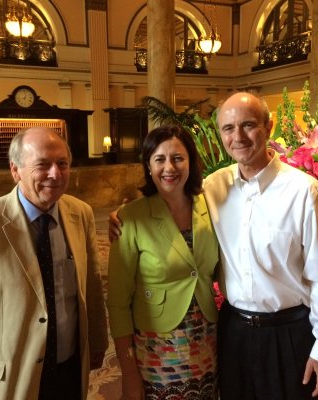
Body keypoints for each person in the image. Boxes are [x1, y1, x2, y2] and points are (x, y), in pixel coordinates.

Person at [109, 93, 318, 400]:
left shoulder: (304, 192)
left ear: (268, 126)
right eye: (228, 128)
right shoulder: (214, 186)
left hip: (288, 332)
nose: (238, 137)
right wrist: (122, 215)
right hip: (231, 332)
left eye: (248, 125)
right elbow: (168, 197)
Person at [0, 127, 108, 400]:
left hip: (70, 367)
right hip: (12, 379)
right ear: (15, 170)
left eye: (62, 164)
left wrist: (97, 342)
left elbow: (91, 284)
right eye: (43, 165)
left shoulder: (81, 213)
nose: (55, 174)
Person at [106, 125, 219, 399]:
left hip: (206, 339)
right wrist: (128, 370)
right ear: (148, 165)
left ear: (191, 161)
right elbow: (118, 302)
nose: (170, 167)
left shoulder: (212, 207)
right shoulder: (130, 218)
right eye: (159, 159)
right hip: (157, 347)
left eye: (178, 158)